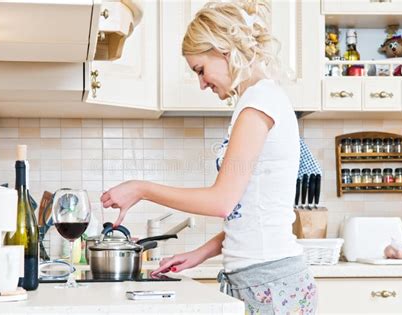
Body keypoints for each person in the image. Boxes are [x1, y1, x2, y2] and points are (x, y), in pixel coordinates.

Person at [100, 1, 317, 314]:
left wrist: (142, 189)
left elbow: (221, 202)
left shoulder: (260, 102)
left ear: (223, 49)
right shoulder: (256, 101)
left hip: (271, 283)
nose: (201, 83)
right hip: (262, 279)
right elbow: (249, 213)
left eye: (200, 70)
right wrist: (199, 254)